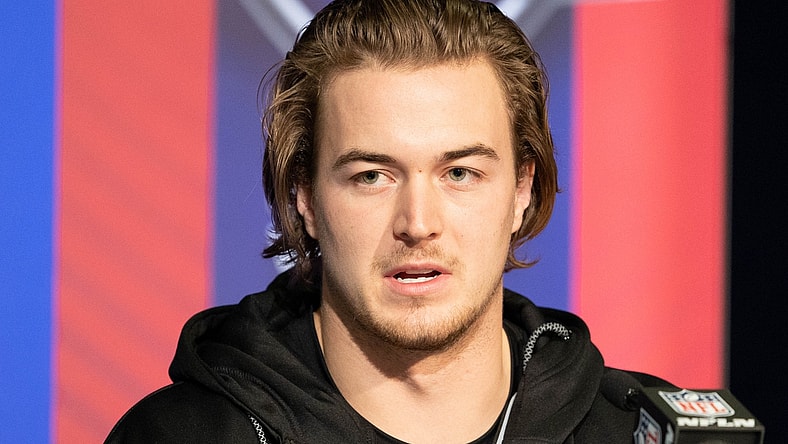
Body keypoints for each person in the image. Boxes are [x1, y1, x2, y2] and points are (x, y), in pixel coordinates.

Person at [107, 0, 671, 442]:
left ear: (522, 188)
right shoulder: (182, 435)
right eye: (372, 176)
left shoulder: (641, 433)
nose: (418, 223)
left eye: (460, 173)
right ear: (304, 195)